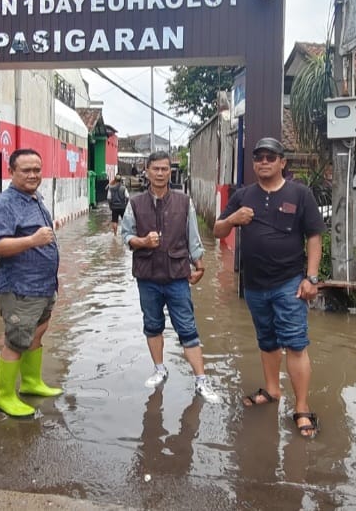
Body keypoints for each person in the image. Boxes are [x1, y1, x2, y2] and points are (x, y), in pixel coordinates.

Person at [212, 137, 325, 438]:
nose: (264, 162)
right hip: (254, 285)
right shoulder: (243, 195)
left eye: (270, 157)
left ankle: (302, 408)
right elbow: (217, 229)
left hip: (289, 283)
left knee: (296, 344)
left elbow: (314, 237)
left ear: (282, 162)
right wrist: (234, 218)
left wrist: (311, 278)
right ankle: (273, 391)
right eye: (259, 157)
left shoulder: (300, 194)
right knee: (267, 341)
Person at [121, 151, 222, 402]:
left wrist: (199, 266)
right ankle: (159, 369)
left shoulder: (183, 201)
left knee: (187, 328)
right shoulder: (135, 203)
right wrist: (143, 241)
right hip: (147, 276)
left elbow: (193, 237)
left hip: (177, 275)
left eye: (165, 169)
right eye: (155, 169)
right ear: (146, 171)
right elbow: (126, 237)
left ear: (170, 172)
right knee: (153, 325)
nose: (160, 173)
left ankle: (201, 380)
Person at [0, 148, 64, 419]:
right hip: (20, 288)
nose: (32, 175)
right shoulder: (3, 204)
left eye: (37, 170)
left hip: (43, 286)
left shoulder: (35, 199)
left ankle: (31, 383)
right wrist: (32, 241)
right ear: (11, 171)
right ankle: (4, 397)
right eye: (26, 170)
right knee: (16, 340)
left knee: (37, 333)